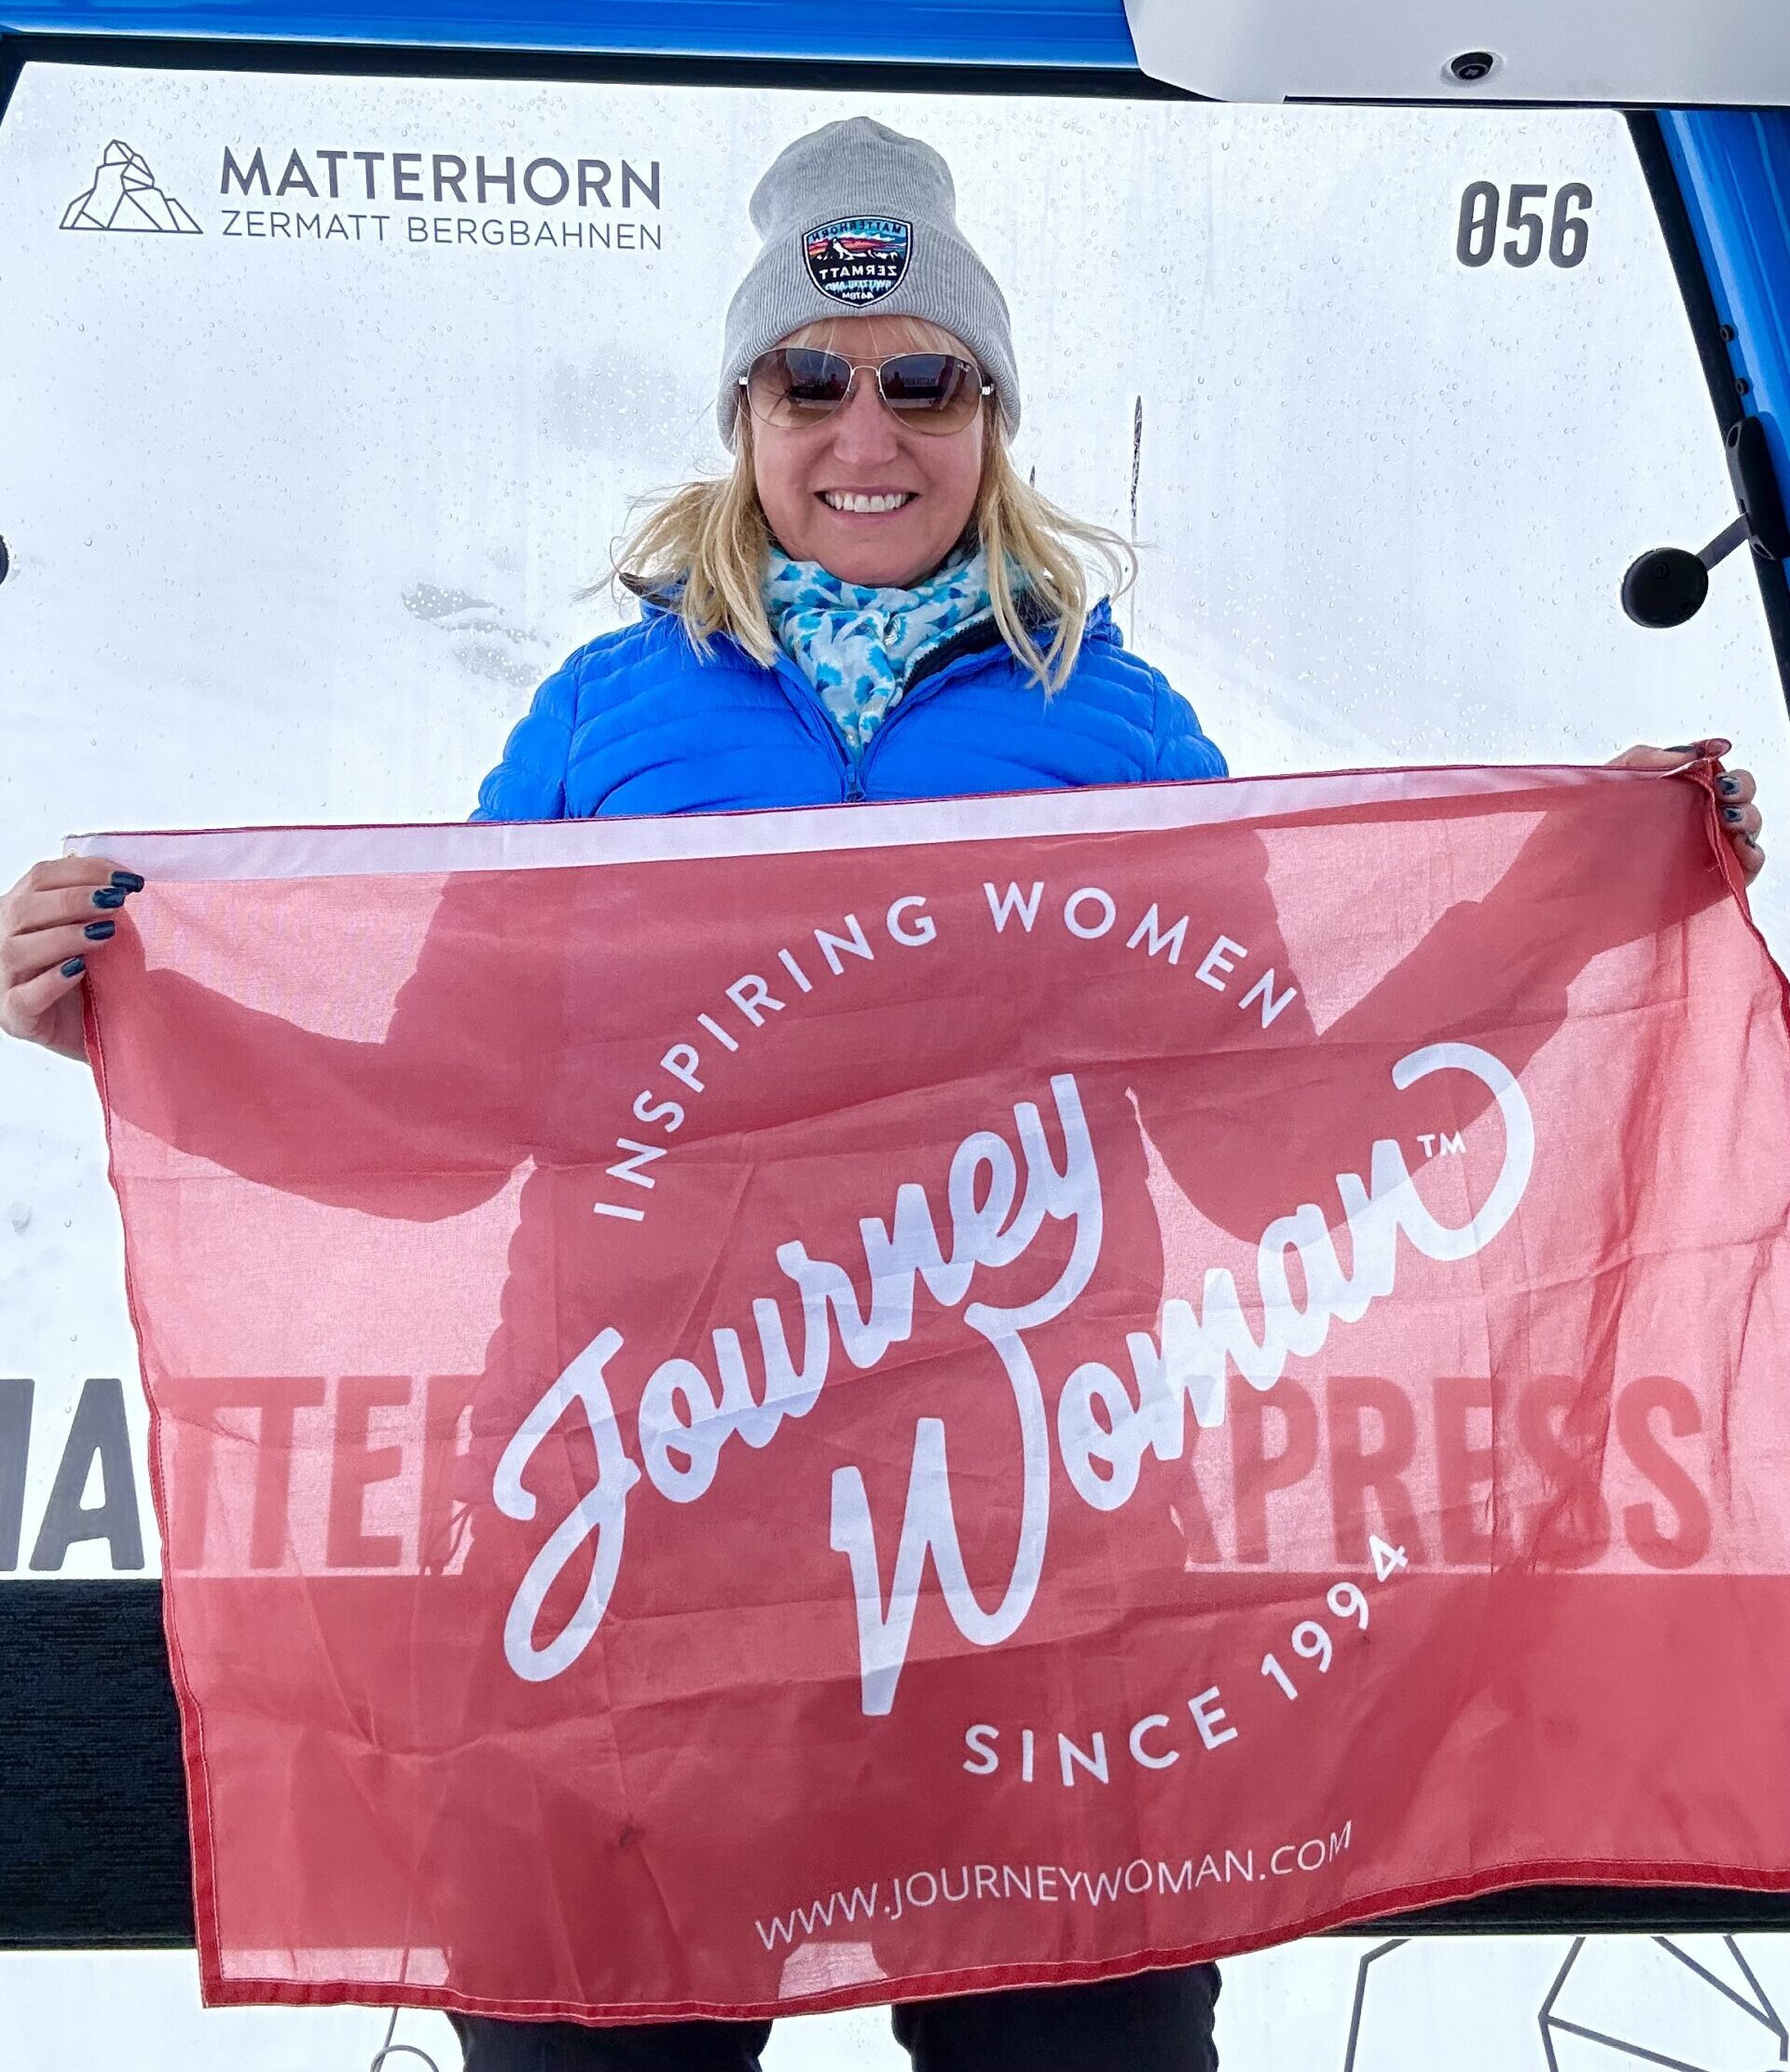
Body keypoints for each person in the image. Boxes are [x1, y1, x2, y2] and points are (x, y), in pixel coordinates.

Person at [0, 116, 1769, 2072]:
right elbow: (440, 1103)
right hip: (636, 1538)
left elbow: (1267, 1117)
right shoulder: (609, 714)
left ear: (992, 416)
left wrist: (1571, 905)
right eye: (810, 379)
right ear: (742, 413)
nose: (868, 430)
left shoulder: (1112, 716)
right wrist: (147, 1022)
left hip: (1028, 1548)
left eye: (924, 378)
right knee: (592, 2047)